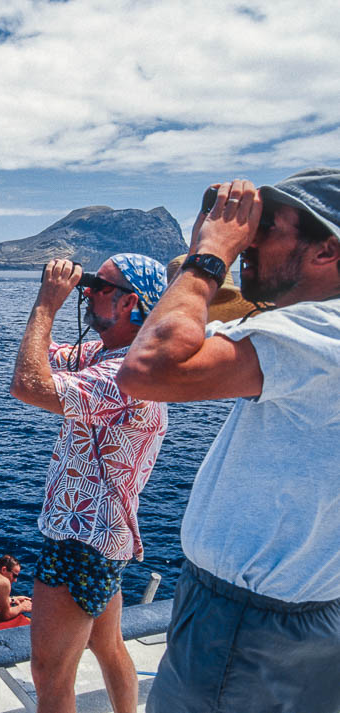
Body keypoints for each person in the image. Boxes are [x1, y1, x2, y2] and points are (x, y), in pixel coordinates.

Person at [117, 169, 340, 713]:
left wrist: (211, 253)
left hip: (245, 624)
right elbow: (201, 312)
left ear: (327, 250)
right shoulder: (302, 330)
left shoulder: (319, 334)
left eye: (267, 228)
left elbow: (148, 368)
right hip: (298, 613)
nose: (250, 241)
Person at [10, 253, 168, 713]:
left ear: (129, 303)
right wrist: (49, 310)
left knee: (50, 673)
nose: (87, 291)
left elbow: (28, 384)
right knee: (108, 644)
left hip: (80, 540)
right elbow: (40, 357)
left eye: (99, 285)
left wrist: (46, 303)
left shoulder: (123, 378)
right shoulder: (113, 356)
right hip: (107, 537)